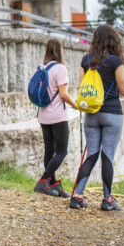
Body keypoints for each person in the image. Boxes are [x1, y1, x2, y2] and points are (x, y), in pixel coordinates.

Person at [70, 24, 124, 211]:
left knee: (92, 155)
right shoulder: (116, 61)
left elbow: (83, 87)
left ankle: (77, 196)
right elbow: (123, 89)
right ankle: (107, 199)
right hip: (112, 113)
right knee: (107, 156)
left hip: (91, 114)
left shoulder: (85, 60)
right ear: (114, 40)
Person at [34, 38, 76, 198]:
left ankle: (52, 183)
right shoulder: (60, 68)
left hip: (43, 115)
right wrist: (76, 105)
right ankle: (43, 181)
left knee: (49, 151)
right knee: (62, 151)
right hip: (58, 116)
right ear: (60, 50)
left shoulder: (41, 67)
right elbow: (63, 94)